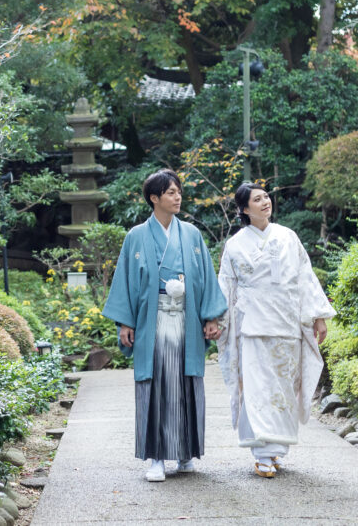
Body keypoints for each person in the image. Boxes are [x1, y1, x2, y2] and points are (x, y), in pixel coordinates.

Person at [102, 169, 227, 482]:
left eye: (178, 191)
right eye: (170, 192)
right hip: (152, 320)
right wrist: (124, 323)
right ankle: (156, 457)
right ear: (154, 198)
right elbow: (126, 283)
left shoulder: (193, 236)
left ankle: (185, 454)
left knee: (187, 385)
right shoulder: (136, 237)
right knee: (155, 386)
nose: (177, 197)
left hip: (186, 317)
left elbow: (206, 279)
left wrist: (211, 316)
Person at [217, 182, 336, 478]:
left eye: (266, 197)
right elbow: (226, 287)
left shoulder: (287, 236)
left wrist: (318, 316)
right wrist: (217, 320)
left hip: (286, 322)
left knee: (284, 389)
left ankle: (276, 449)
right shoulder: (235, 245)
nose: (265, 202)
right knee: (257, 388)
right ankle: (261, 452)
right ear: (245, 209)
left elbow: (304, 277)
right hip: (253, 324)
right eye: (257, 199)